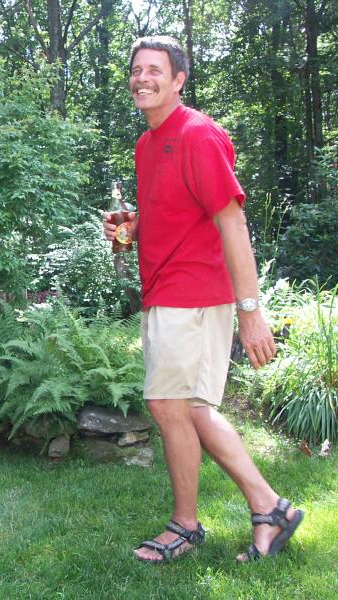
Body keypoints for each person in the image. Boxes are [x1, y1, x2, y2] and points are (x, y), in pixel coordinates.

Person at [104, 36, 304, 563]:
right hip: (166, 292)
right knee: (191, 410)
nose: (142, 78)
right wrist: (134, 228)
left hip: (194, 294)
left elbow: (231, 221)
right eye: (136, 70)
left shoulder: (197, 134)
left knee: (168, 405)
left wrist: (251, 312)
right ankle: (271, 509)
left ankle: (187, 525)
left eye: (155, 70)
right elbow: (177, 215)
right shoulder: (147, 144)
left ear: (178, 80)